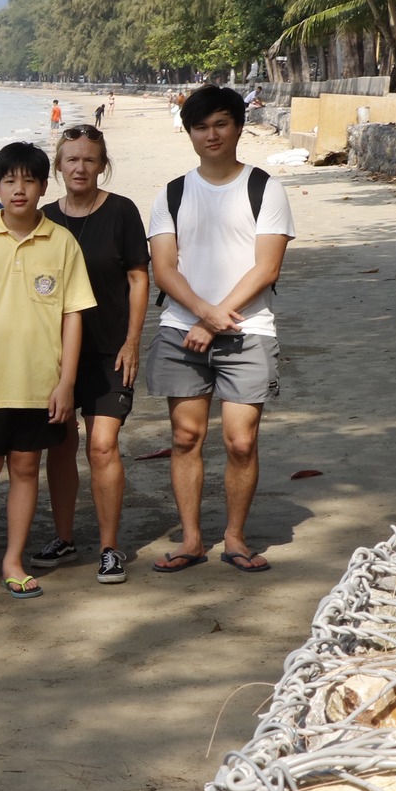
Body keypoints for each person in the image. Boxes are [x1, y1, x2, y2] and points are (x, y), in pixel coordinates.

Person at [145, 83, 294, 576]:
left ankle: (234, 536)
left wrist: (214, 319)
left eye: (221, 124)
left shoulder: (265, 188)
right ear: (188, 132)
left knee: (240, 441)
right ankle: (190, 538)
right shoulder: (171, 193)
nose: (211, 135)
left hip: (249, 330)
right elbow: (164, 270)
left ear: (238, 126)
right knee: (186, 436)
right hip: (179, 329)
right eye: (201, 126)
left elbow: (265, 268)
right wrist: (202, 314)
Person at [0, 142, 93, 600]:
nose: (19, 189)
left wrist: (66, 383)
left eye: (29, 180)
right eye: (9, 181)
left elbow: (73, 315)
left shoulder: (62, 242)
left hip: (38, 383)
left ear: (45, 186)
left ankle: (13, 559)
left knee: (27, 468)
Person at [31, 125, 149, 584]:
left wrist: (133, 340)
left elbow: (139, 277)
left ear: (103, 165)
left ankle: (109, 547)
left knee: (101, 445)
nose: (80, 167)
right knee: (59, 446)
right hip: (56, 355)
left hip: (109, 350)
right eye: (71, 159)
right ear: (58, 166)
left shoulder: (121, 212)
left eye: (89, 159)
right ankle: (64, 537)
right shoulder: (43, 218)